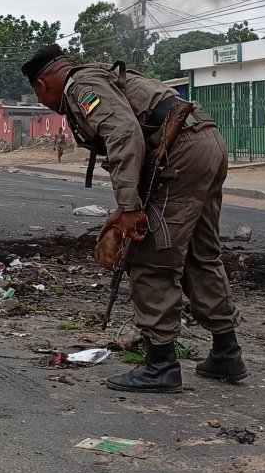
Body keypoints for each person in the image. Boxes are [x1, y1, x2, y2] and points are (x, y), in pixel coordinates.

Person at [21, 43, 245, 393]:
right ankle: (227, 354)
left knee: (152, 257)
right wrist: (128, 204)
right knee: (202, 253)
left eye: (40, 96)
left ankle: (161, 366)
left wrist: (130, 208)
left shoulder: (80, 88)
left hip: (180, 152)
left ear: (41, 86)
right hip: (206, 141)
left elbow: (124, 134)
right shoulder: (101, 75)